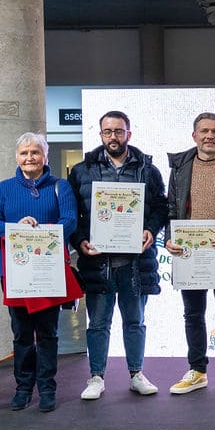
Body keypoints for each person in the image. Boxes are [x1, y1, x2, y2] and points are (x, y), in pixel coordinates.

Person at [69, 111, 168, 400]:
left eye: (119, 131)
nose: (113, 136)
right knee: (98, 323)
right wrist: (80, 240)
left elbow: (161, 208)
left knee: (135, 321)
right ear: (100, 134)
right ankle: (96, 376)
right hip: (98, 262)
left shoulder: (147, 170)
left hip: (135, 263)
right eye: (108, 131)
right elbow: (74, 213)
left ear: (129, 134)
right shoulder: (82, 170)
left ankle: (136, 373)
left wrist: (151, 229)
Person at [0, 132, 81, 413]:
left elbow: (70, 221)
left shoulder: (59, 187)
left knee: (48, 333)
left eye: (35, 152)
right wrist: (18, 229)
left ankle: (47, 388)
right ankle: (23, 388)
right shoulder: (3, 189)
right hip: (14, 273)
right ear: (17, 157)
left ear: (45, 157)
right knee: (21, 334)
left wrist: (41, 232)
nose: (30, 158)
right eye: (25, 153)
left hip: (46, 270)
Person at [165, 113, 215, 396]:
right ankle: (197, 370)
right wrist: (169, 237)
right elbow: (171, 210)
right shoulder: (179, 167)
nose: (210, 136)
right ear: (194, 136)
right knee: (193, 314)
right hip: (190, 253)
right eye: (204, 131)